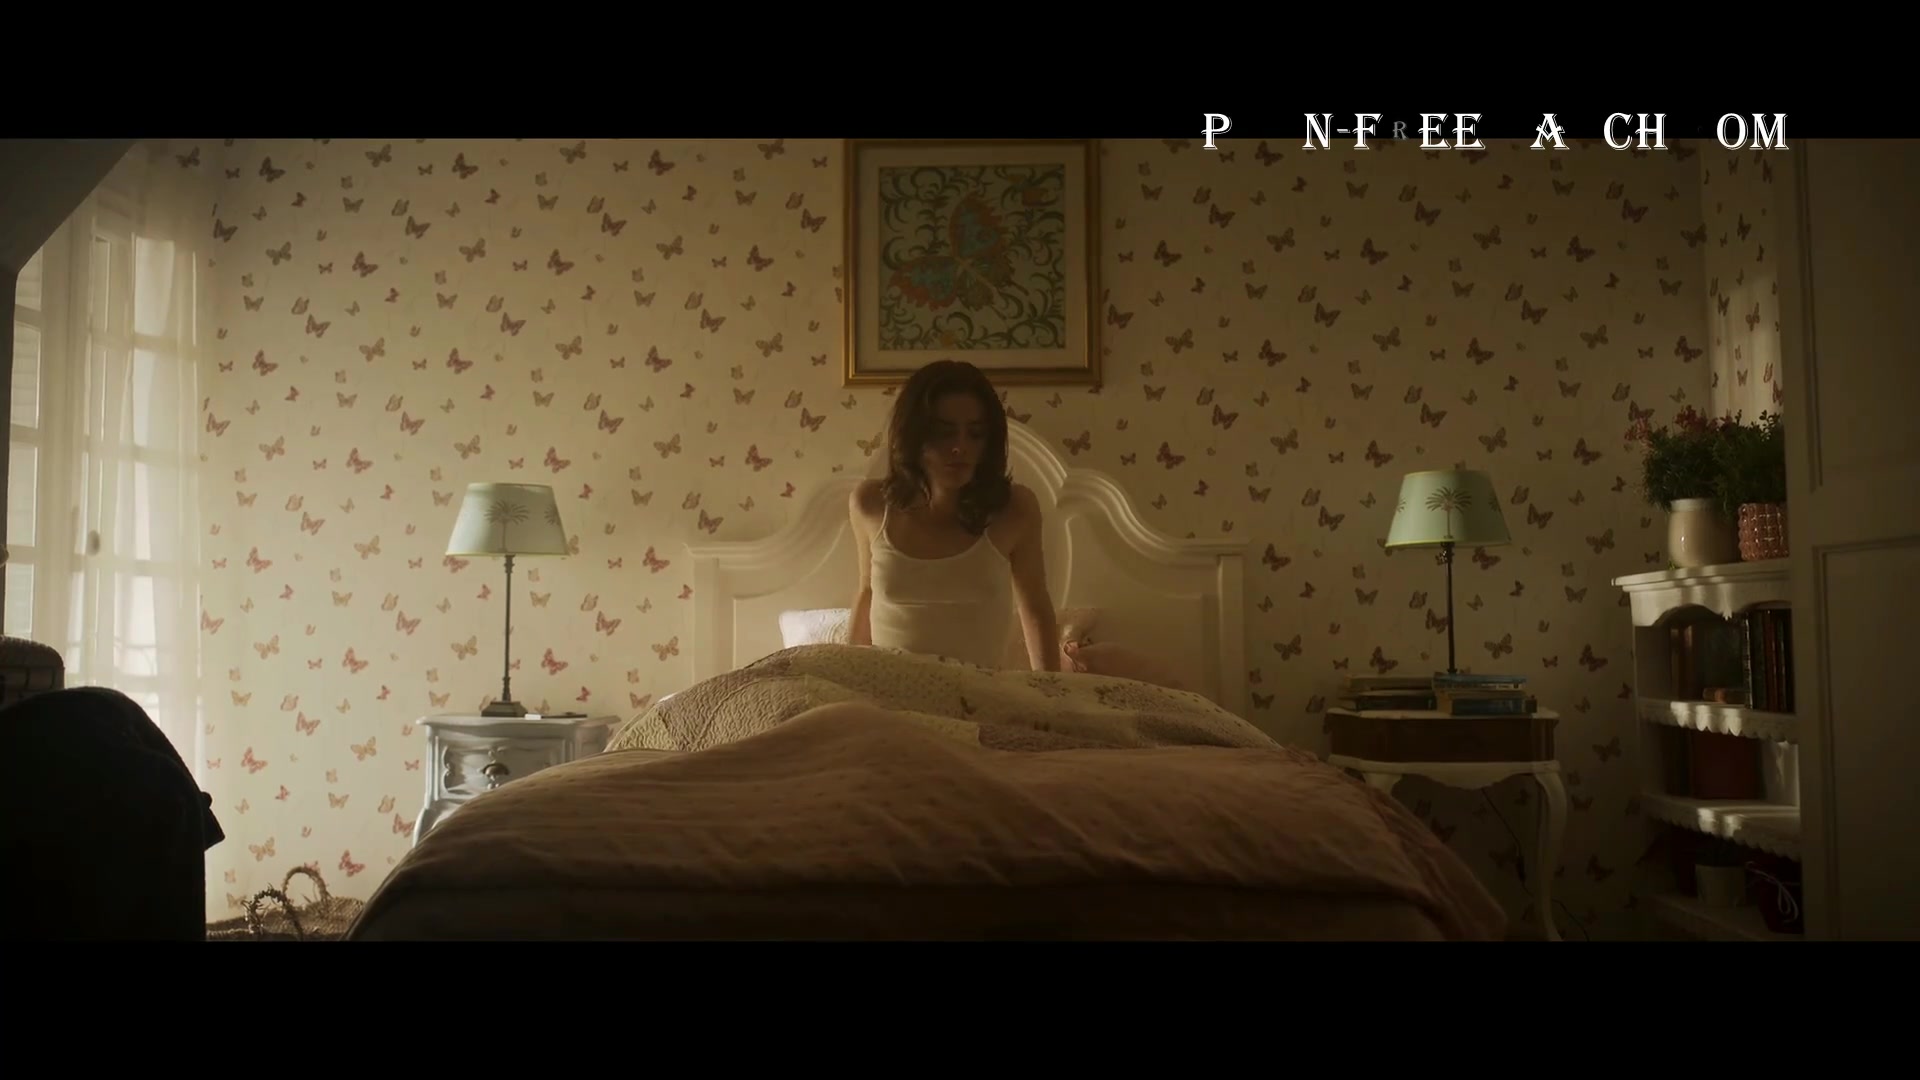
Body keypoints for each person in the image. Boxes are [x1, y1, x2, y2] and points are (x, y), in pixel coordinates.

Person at [848, 360, 1060, 671]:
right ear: (914, 436)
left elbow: (1035, 606)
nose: (960, 447)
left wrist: (1050, 690)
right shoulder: (870, 504)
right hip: (888, 688)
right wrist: (850, 678)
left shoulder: (1015, 509)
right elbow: (867, 592)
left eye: (975, 434)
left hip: (978, 691)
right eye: (944, 433)